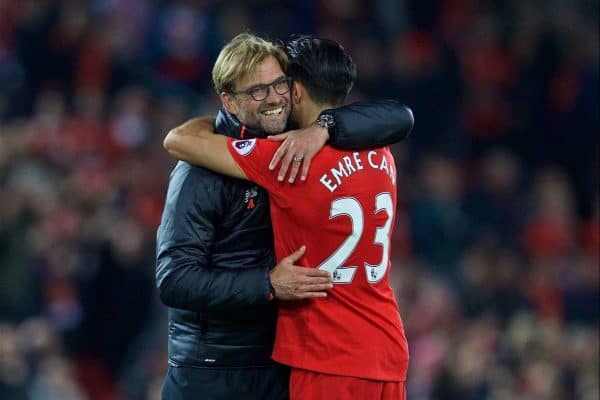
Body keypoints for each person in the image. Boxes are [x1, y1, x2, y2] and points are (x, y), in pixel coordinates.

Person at [156, 33, 413, 400]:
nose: (274, 97)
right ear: (228, 100)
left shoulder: (284, 159)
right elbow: (174, 279)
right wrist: (267, 284)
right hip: (378, 351)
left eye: (279, 83)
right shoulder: (380, 148)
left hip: (322, 358)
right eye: (257, 91)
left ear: (295, 90)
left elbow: (177, 139)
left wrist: (320, 128)